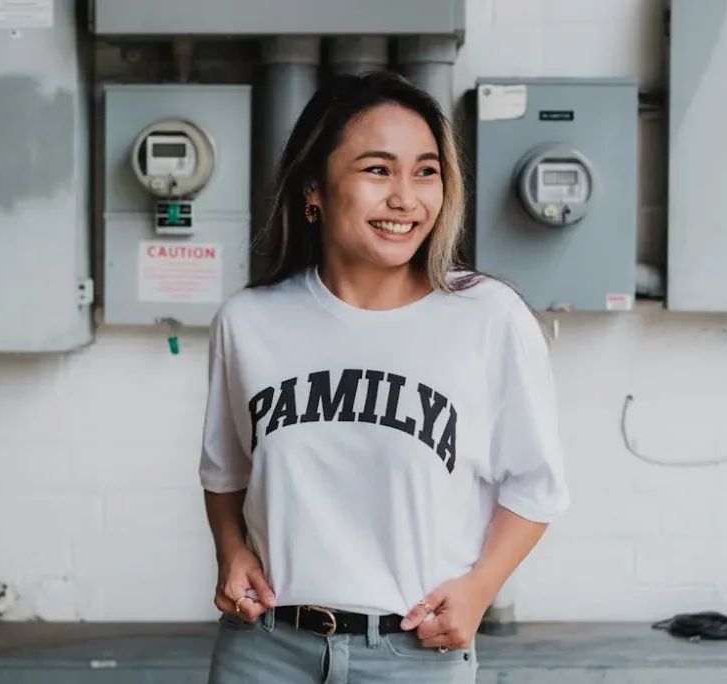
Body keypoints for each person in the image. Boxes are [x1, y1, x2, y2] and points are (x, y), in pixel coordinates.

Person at [199, 70, 569, 684]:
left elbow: (535, 485)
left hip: (413, 653)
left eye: (426, 172)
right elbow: (224, 472)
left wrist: (481, 588)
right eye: (378, 170)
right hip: (264, 651)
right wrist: (230, 550)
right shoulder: (248, 322)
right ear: (313, 189)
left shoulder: (488, 317)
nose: (406, 198)